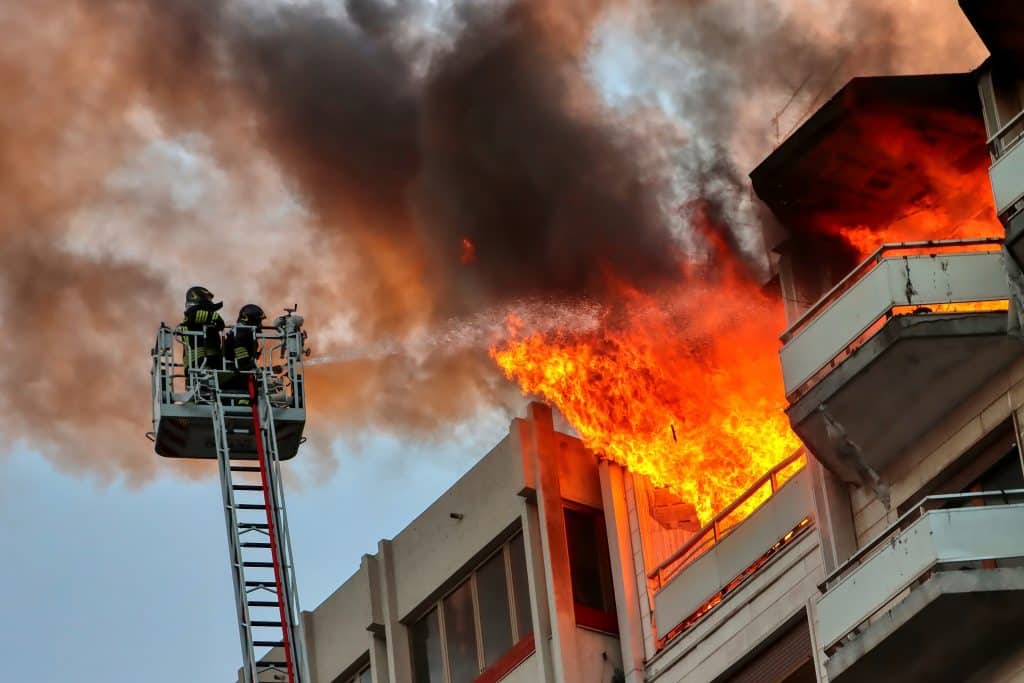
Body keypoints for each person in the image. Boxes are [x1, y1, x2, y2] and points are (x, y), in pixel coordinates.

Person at [223, 304, 266, 405]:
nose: (261, 325)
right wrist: (261, 370)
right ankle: (244, 401)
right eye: (259, 321)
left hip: (236, 373)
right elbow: (242, 362)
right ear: (250, 320)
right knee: (260, 382)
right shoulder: (240, 335)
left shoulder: (242, 333)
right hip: (233, 376)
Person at [180, 286, 225, 379]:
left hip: (206, 361)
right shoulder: (192, 314)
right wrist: (215, 316)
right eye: (207, 299)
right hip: (197, 363)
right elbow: (199, 315)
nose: (210, 302)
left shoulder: (196, 316)